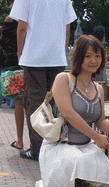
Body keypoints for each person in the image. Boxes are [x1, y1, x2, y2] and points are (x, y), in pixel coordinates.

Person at [35, 35, 109, 187]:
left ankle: (77, 178)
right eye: (88, 56)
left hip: (85, 144)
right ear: (78, 58)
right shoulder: (63, 79)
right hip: (61, 145)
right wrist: (97, 137)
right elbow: (69, 114)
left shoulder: (98, 88)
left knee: (104, 165)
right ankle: (64, 182)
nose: (94, 60)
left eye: (98, 56)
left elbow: (99, 121)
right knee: (74, 159)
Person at [10, 0, 77, 160]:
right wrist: (60, 51)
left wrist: (20, 52)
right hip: (56, 58)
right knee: (56, 103)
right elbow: (67, 29)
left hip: (34, 58)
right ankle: (55, 145)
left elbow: (22, 27)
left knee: (36, 103)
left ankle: (37, 149)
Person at [0, 0, 28, 149]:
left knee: (18, 102)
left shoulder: (10, 19)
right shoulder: (30, 16)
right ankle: (35, 141)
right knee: (31, 102)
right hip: (30, 60)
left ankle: (20, 141)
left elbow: (3, 42)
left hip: (13, 60)